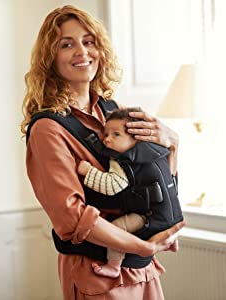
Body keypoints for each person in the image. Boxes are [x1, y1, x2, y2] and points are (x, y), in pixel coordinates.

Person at [21, 5, 185, 300]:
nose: (82, 52)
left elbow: (153, 176)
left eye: (89, 41)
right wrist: (140, 246)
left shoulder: (112, 111)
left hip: (142, 268)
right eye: (66, 44)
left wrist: (173, 145)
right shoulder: (48, 129)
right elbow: (72, 219)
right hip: (97, 273)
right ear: (50, 58)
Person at [77, 107, 179, 278]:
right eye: (105, 134)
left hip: (148, 215)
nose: (107, 140)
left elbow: (113, 185)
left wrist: (88, 172)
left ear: (136, 138)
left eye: (116, 135)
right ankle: (172, 241)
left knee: (116, 230)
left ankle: (113, 265)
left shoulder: (122, 159)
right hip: (172, 214)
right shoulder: (158, 151)